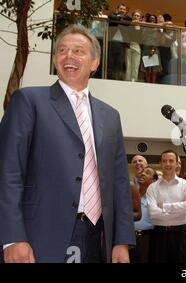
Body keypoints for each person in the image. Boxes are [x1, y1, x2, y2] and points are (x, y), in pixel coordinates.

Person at [0, 25, 135, 263]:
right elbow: (8, 171)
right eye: (62, 50)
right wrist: (12, 238)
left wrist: (121, 241)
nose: (68, 56)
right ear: (55, 60)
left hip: (97, 238)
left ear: (95, 63)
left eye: (78, 51)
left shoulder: (110, 116)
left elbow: (119, 183)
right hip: (39, 237)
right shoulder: (29, 100)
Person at [147, 150, 186, 263]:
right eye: (164, 161)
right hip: (159, 236)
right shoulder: (152, 188)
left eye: (171, 161)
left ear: (177, 164)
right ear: (160, 163)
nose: (167, 164)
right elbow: (153, 213)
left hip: (181, 235)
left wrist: (164, 207)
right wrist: (179, 209)